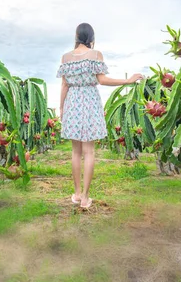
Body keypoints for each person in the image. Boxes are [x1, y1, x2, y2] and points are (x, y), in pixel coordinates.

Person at [56, 23, 144, 208]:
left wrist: (62, 108)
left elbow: (64, 86)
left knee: (75, 151)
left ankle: (77, 193)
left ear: (76, 36)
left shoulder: (65, 58)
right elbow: (102, 80)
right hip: (89, 101)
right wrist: (127, 81)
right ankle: (86, 198)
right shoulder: (96, 55)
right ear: (91, 38)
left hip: (72, 101)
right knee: (89, 151)